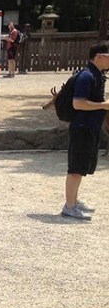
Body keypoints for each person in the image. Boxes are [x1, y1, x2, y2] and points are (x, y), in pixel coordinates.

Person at [60, 42, 109, 220]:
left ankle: (73, 200)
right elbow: (78, 103)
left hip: (89, 128)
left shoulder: (96, 75)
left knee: (82, 167)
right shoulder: (87, 77)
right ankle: (69, 206)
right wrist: (104, 105)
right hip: (82, 128)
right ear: (100, 57)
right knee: (76, 168)